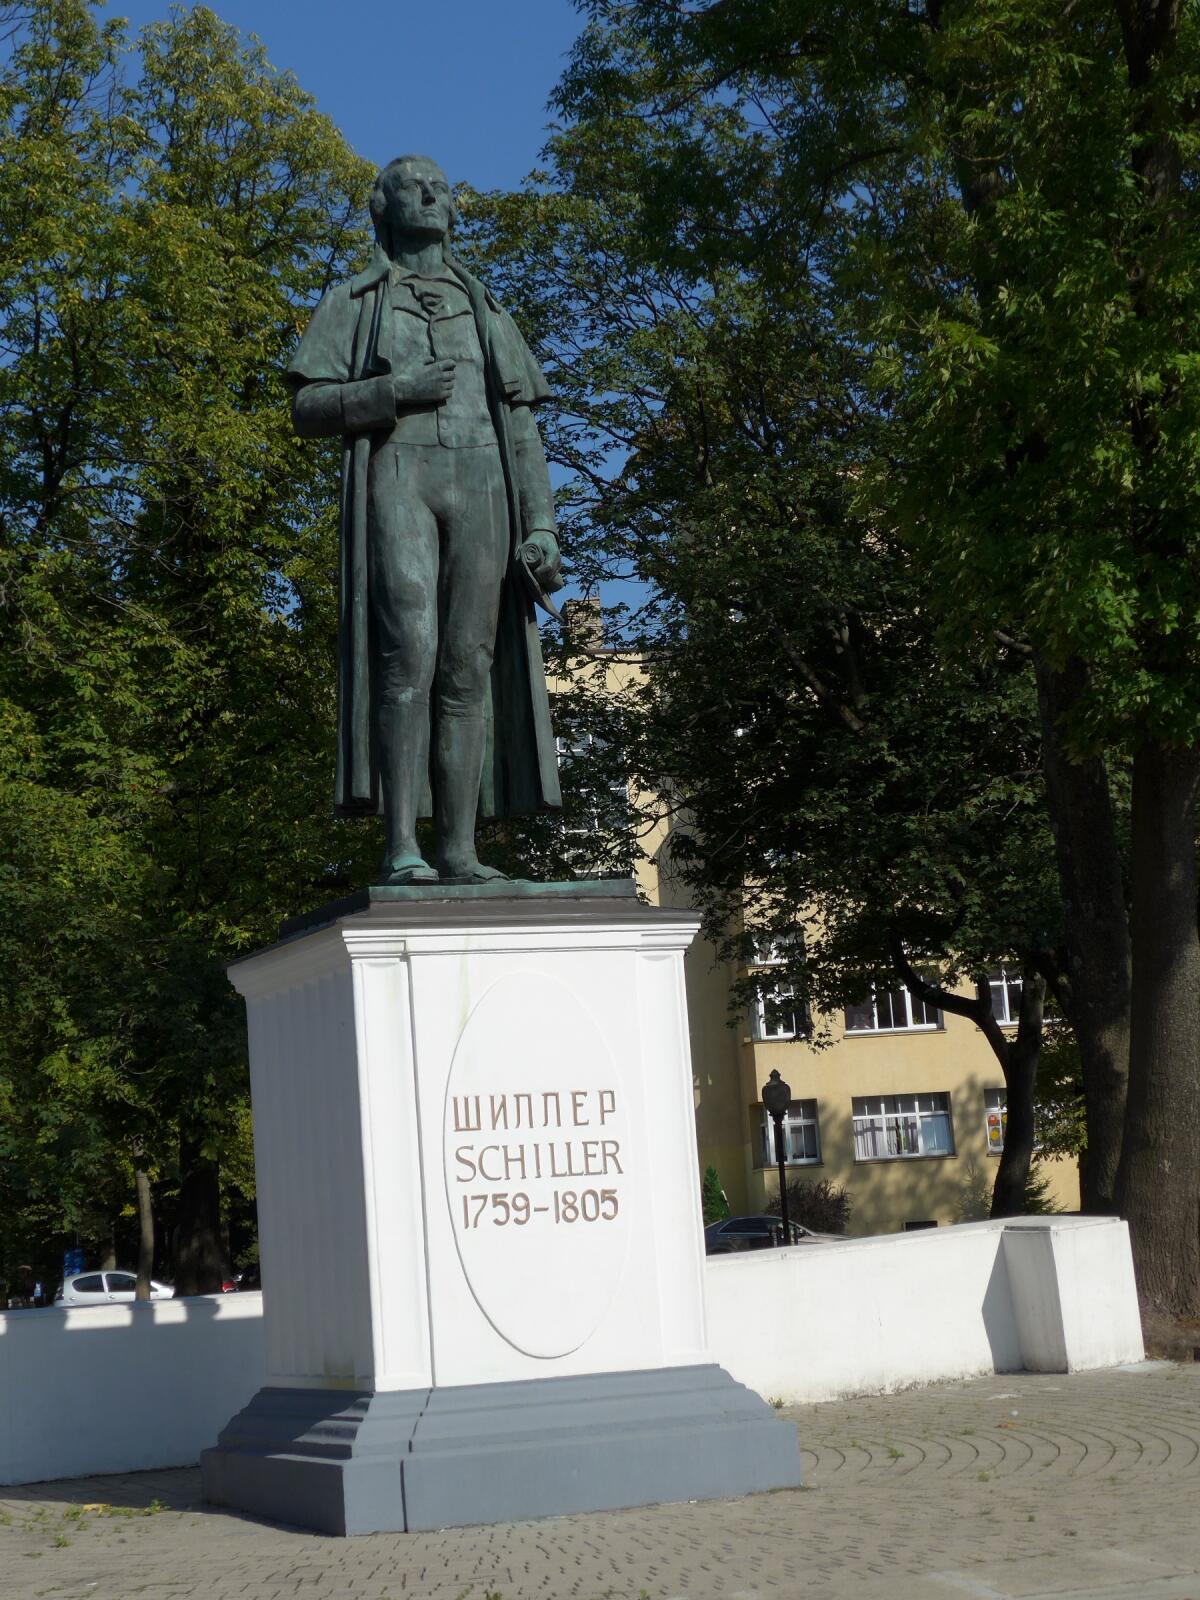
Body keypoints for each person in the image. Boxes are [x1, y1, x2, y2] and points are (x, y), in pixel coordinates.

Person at [286, 155, 563, 883]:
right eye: (413, 185)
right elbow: (307, 406)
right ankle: (403, 846)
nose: (431, 194)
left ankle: (460, 850)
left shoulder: (485, 306)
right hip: (399, 476)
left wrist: (541, 524)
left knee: (469, 665)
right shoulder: (354, 300)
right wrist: (392, 390)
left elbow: (522, 424)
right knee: (409, 652)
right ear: (382, 206)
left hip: (483, 484)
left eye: (441, 186)